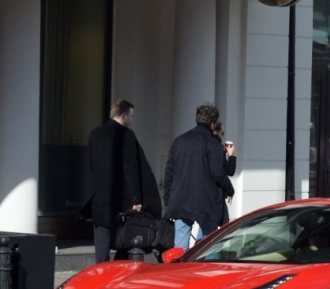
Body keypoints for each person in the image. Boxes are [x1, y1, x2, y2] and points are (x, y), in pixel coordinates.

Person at [85, 98, 162, 262]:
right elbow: (132, 168)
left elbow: (92, 164)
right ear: (124, 115)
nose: (132, 120)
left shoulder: (95, 134)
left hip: (99, 196)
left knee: (101, 241)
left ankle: (101, 274)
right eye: (131, 116)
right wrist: (136, 198)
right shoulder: (127, 136)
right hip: (121, 199)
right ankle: (116, 271)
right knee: (126, 237)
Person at [164, 103, 228, 248]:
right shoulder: (214, 144)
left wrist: (168, 198)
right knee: (205, 247)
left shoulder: (179, 141)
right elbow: (217, 173)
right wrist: (230, 189)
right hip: (206, 202)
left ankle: (179, 270)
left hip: (180, 200)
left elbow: (169, 173)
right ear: (212, 123)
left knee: (180, 246)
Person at [211, 119, 236, 224]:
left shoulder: (214, 148)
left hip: (211, 194)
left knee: (209, 228)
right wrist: (230, 190)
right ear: (217, 132)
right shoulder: (216, 147)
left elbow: (229, 171)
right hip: (214, 195)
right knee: (214, 228)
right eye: (222, 133)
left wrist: (230, 155)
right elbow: (224, 172)